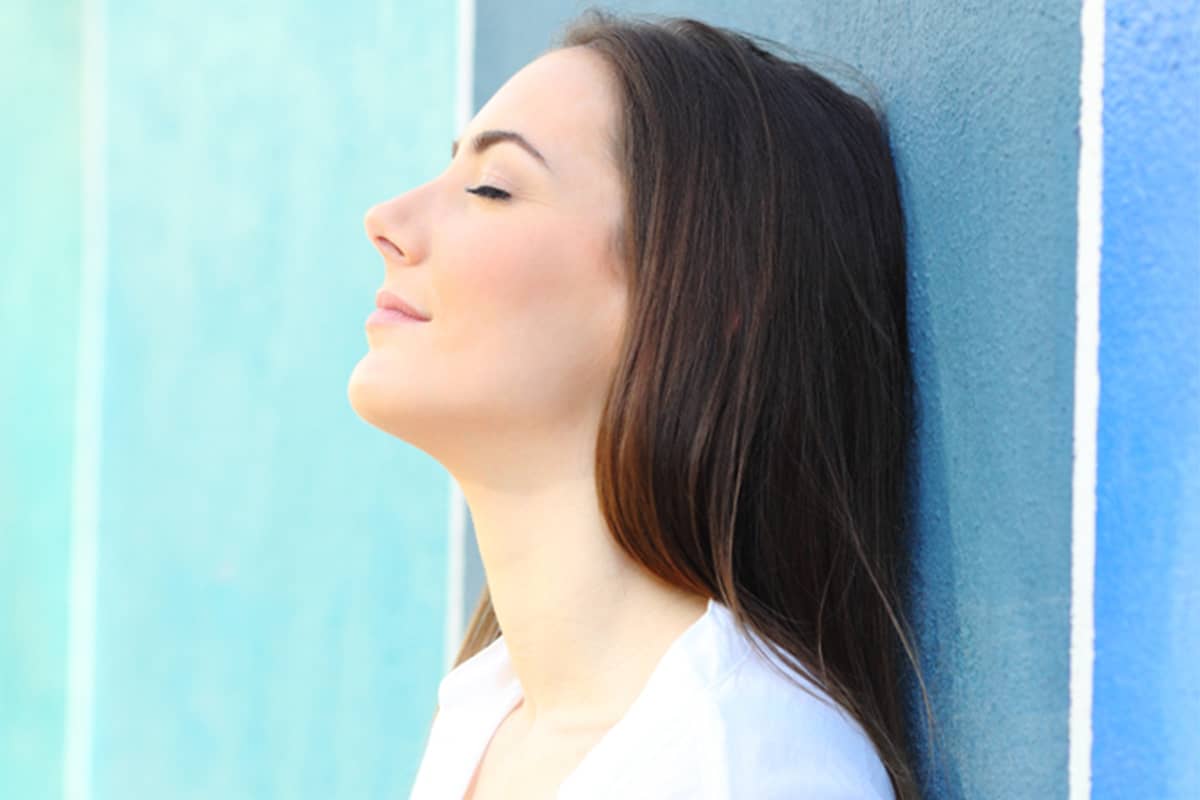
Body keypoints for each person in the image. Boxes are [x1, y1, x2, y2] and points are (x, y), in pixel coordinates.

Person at [349, 10, 930, 800]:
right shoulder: (490, 712)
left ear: (712, 294)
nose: (385, 221)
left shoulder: (742, 766)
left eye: (492, 188)